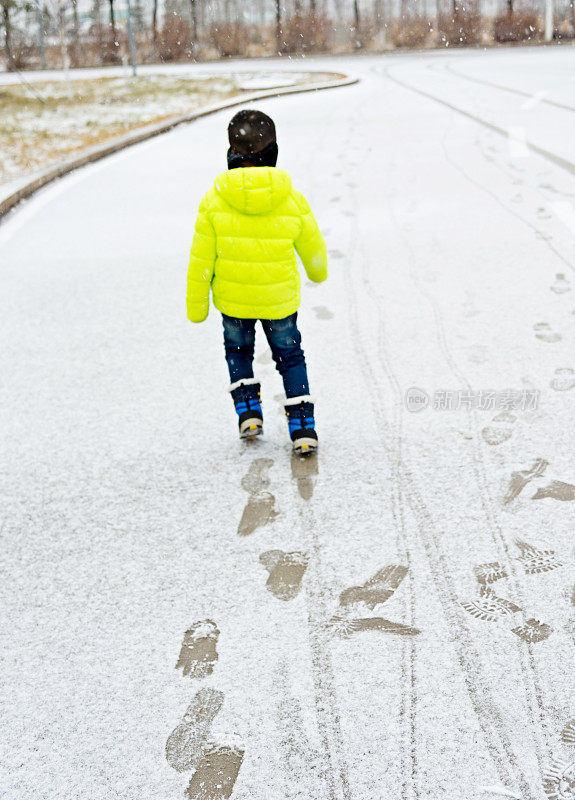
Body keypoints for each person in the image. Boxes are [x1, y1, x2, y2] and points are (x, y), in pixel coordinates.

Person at [186, 108, 327, 454]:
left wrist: (197, 304)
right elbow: (314, 251)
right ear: (273, 153)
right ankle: (303, 427)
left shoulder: (213, 200)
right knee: (290, 356)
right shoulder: (291, 198)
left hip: (234, 300)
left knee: (237, 350)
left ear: (231, 154)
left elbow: (200, 258)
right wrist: (315, 270)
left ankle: (248, 413)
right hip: (279, 300)